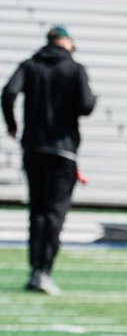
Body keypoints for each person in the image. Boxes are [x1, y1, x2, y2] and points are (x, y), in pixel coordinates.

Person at [2, 25, 96, 295]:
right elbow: (87, 106)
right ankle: (43, 270)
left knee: (38, 212)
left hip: (33, 147)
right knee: (55, 214)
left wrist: (11, 124)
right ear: (66, 42)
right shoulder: (75, 69)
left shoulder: (30, 65)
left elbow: (8, 93)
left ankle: (34, 270)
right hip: (63, 149)